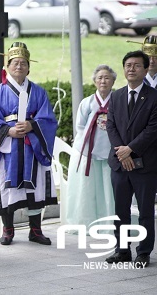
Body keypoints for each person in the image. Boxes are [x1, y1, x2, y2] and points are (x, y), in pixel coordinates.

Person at [0, 42, 58, 246]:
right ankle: (8, 230)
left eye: (23, 63)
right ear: (7, 66)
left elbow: (48, 119)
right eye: (15, 63)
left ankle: (35, 230)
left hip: (32, 146)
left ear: (29, 67)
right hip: (8, 148)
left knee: (34, 188)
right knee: (6, 186)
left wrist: (32, 126)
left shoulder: (38, 91)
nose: (19, 66)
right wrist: (7, 130)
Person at [105, 50, 157, 267]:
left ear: (146, 69)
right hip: (120, 164)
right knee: (121, 210)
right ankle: (122, 249)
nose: (131, 69)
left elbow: (153, 129)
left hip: (145, 164)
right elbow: (111, 125)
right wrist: (122, 152)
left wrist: (130, 150)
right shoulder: (116, 95)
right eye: (128, 65)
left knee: (145, 211)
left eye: (137, 65)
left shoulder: (154, 97)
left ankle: (143, 252)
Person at [64, 65, 116, 229]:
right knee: (87, 191)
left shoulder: (118, 100)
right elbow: (80, 127)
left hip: (111, 151)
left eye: (107, 77)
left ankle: (111, 224)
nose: (103, 81)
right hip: (89, 152)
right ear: (94, 81)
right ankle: (86, 223)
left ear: (113, 81)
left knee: (110, 190)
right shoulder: (86, 103)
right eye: (100, 77)